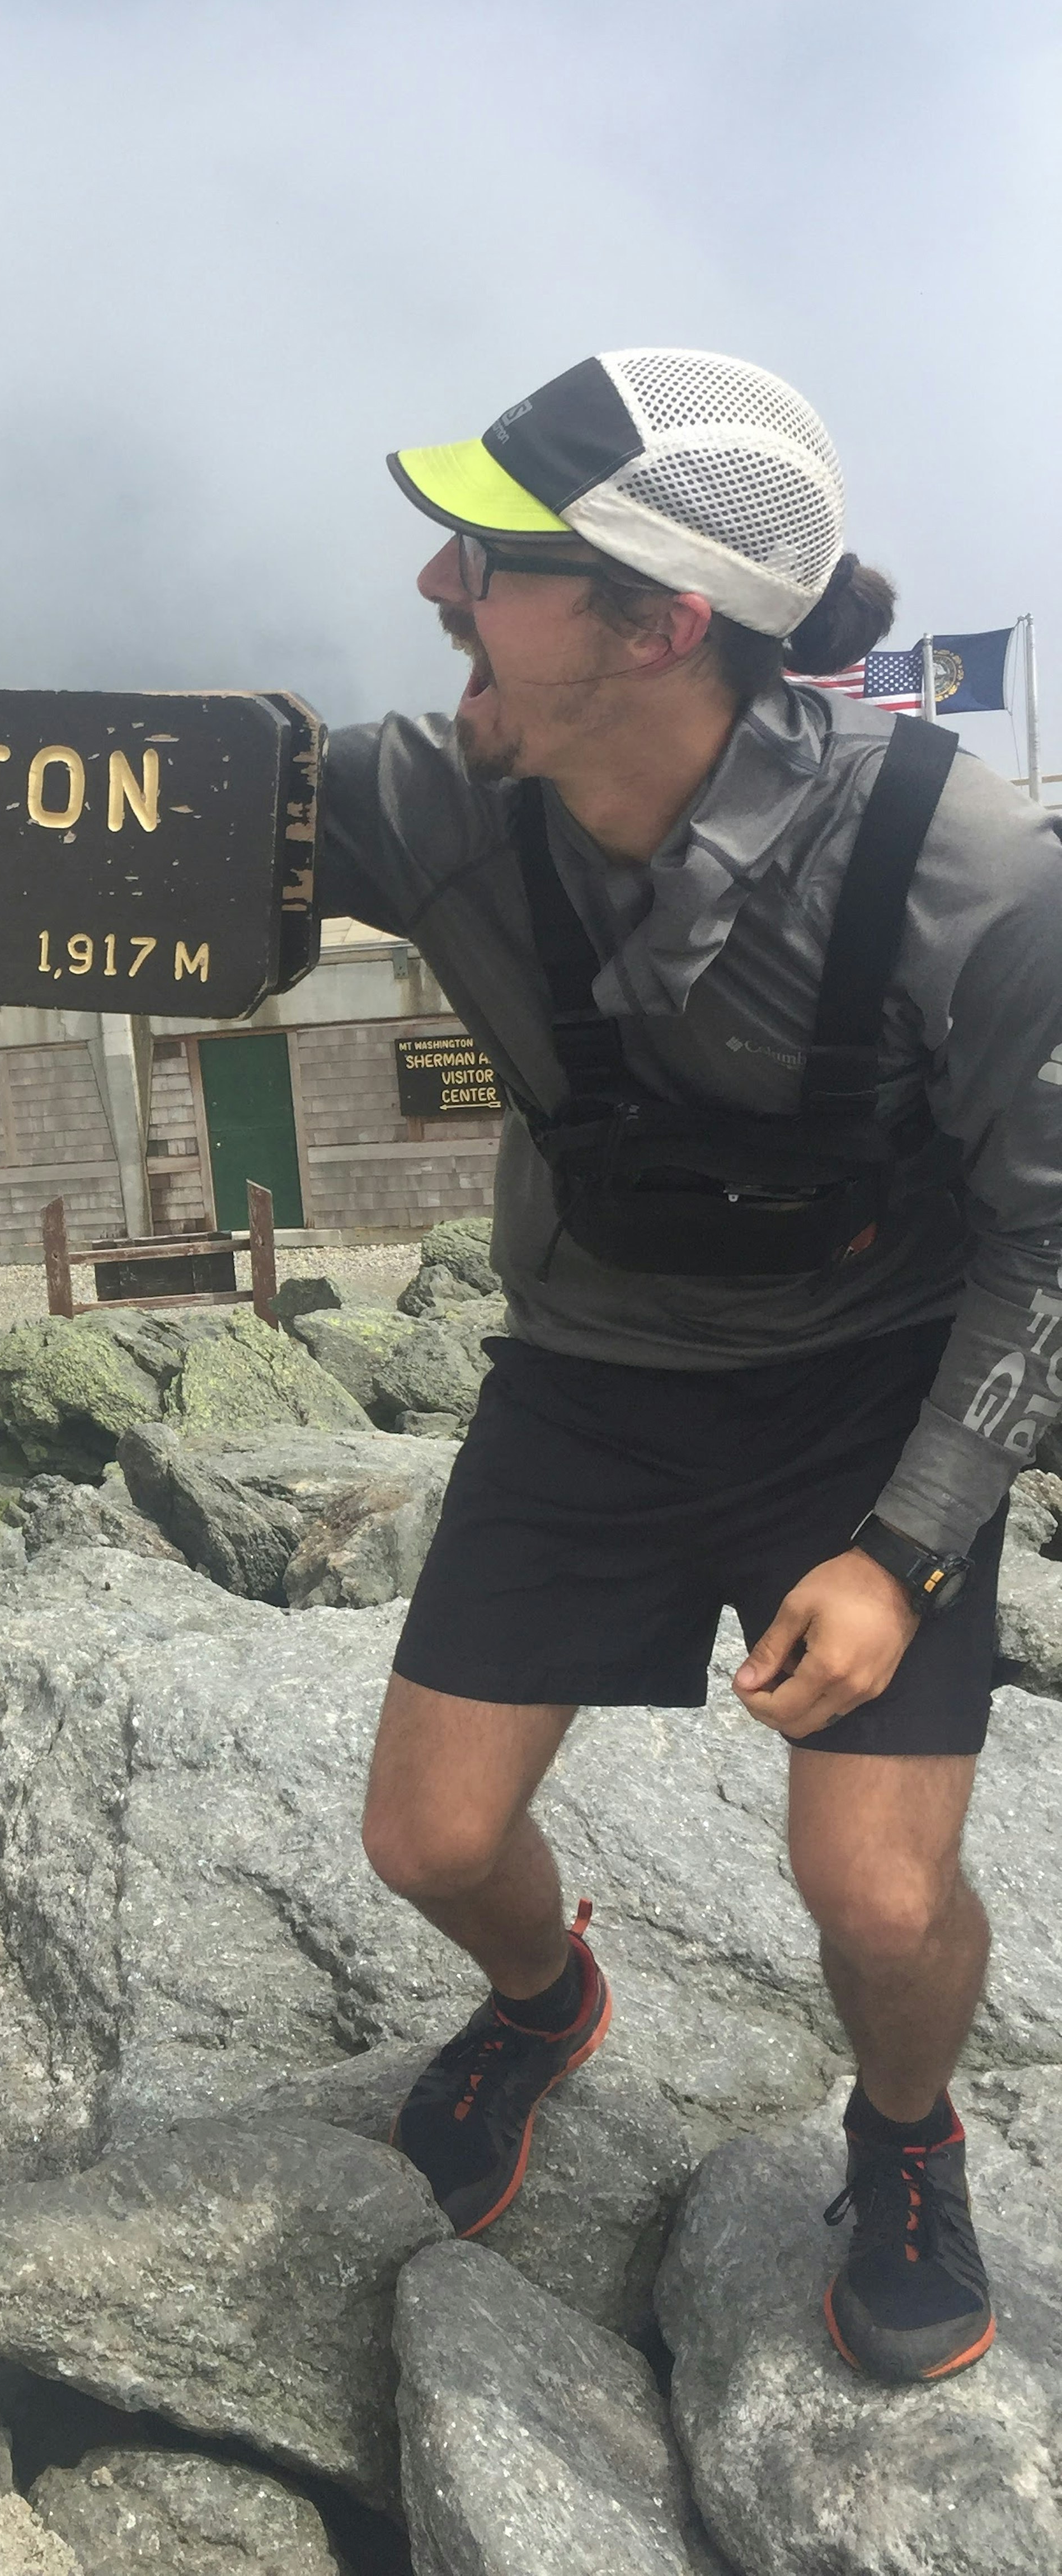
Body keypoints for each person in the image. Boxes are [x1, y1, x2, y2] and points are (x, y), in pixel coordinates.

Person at [317, 347, 1062, 2385]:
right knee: (431, 1846)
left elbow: (1050, 1237)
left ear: (660, 625)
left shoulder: (971, 869)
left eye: (491, 556)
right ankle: (549, 2003)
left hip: (866, 1402)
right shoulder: (432, 796)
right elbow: (125, 819)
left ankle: (906, 2141)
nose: (434, 586)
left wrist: (903, 1550)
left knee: (881, 1904)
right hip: (590, 1385)